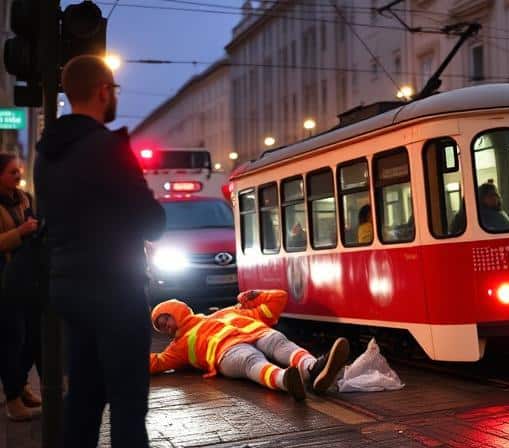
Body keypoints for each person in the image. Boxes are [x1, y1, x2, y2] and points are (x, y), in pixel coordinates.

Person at [34, 55, 166, 447]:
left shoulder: (45, 154)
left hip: (68, 290)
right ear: (103, 90)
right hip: (114, 289)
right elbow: (152, 222)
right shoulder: (108, 148)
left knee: (84, 400)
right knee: (127, 404)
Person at [150, 290, 349, 401]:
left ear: (176, 310)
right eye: (160, 326)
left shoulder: (227, 312)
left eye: (164, 318)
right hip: (227, 353)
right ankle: (286, 380)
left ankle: (312, 369)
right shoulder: (179, 345)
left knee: (278, 341)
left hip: (259, 333)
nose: (165, 326)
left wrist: (257, 295)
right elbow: (157, 363)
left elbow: (279, 299)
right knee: (251, 361)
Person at [0, 154, 42, 422]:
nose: (18, 176)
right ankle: (13, 398)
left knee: (31, 336)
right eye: (12, 172)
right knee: (11, 339)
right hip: (4, 279)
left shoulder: (25, 198)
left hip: (27, 276)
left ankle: (22, 385)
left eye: (19, 172)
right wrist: (23, 232)